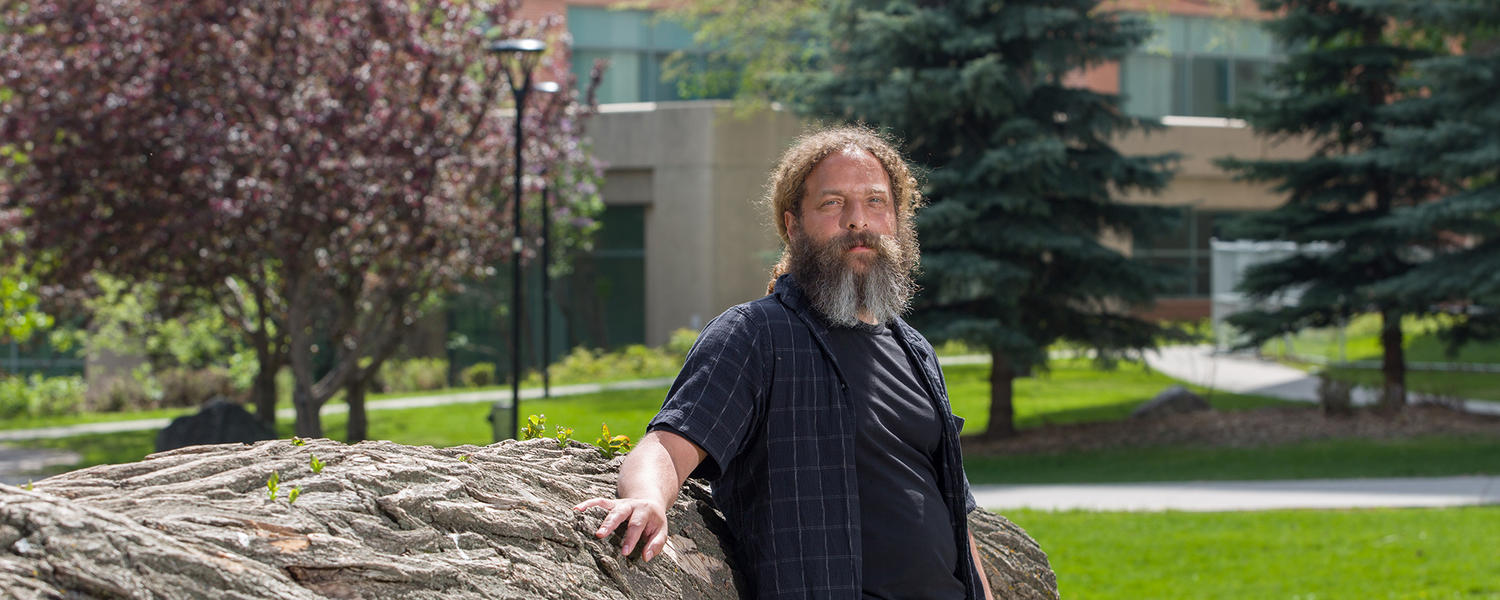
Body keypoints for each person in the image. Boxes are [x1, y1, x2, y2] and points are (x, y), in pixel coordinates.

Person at [573, 126, 995, 600]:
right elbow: (667, 446)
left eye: (876, 202)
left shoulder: (915, 350)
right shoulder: (756, 335)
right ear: (793, 226)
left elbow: (953, 511)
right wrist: (646, 498)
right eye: (833, 203)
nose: (859, 221)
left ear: (897, 221)